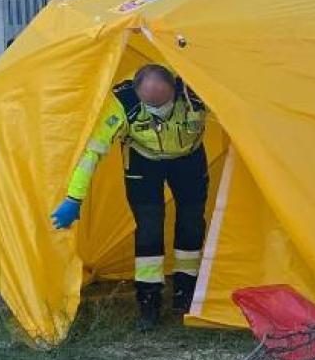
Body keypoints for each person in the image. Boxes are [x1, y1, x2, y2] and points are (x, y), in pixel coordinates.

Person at [51, 64, 211, 330]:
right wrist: (74, 198)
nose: (159, 111)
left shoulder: (195, 92)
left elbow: (238, 113)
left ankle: (186, 293)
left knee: (191, 223)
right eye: (151, 105)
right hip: (143, 161)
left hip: (189, 157)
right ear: (138, 95)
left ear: (175, 89)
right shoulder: (122, 104)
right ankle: (148, 302)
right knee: (149, 229)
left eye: (164, 103)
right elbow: (92, 153)